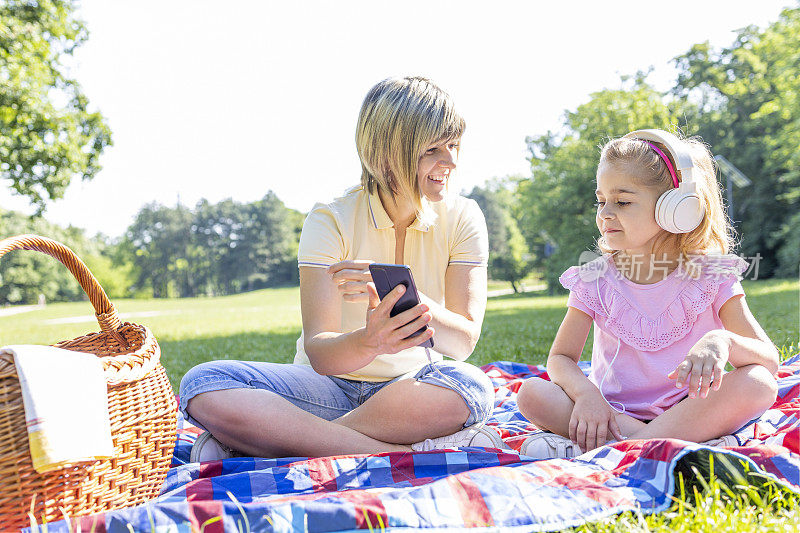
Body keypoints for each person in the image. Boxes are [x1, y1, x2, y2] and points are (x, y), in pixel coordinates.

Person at [179, 76, 501, 461]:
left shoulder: (464, 217)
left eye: (453, 145)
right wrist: (371, 341)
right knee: (202, 383)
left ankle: (275, 441)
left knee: (474, 387)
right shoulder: (329, 219)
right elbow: (321, 354)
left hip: (406, 395)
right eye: (433, 149)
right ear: (385, 157)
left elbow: (463, 343)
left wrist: (410, 300)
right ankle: (396, 452)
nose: (450, 161)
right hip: (323, 388)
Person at [516, 129, 779, 458]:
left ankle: (626, 448)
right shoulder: (594, 279)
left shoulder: (713, 275)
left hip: (693, 410)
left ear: (677, 207)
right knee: (531, 393)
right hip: (614, 415)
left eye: (622, 202)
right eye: (601, 201)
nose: (605, 213)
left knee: (759, 383)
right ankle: (661, 444)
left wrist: (722, 341)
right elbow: (560, 359)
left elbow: (768, 361)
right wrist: (586, 395)